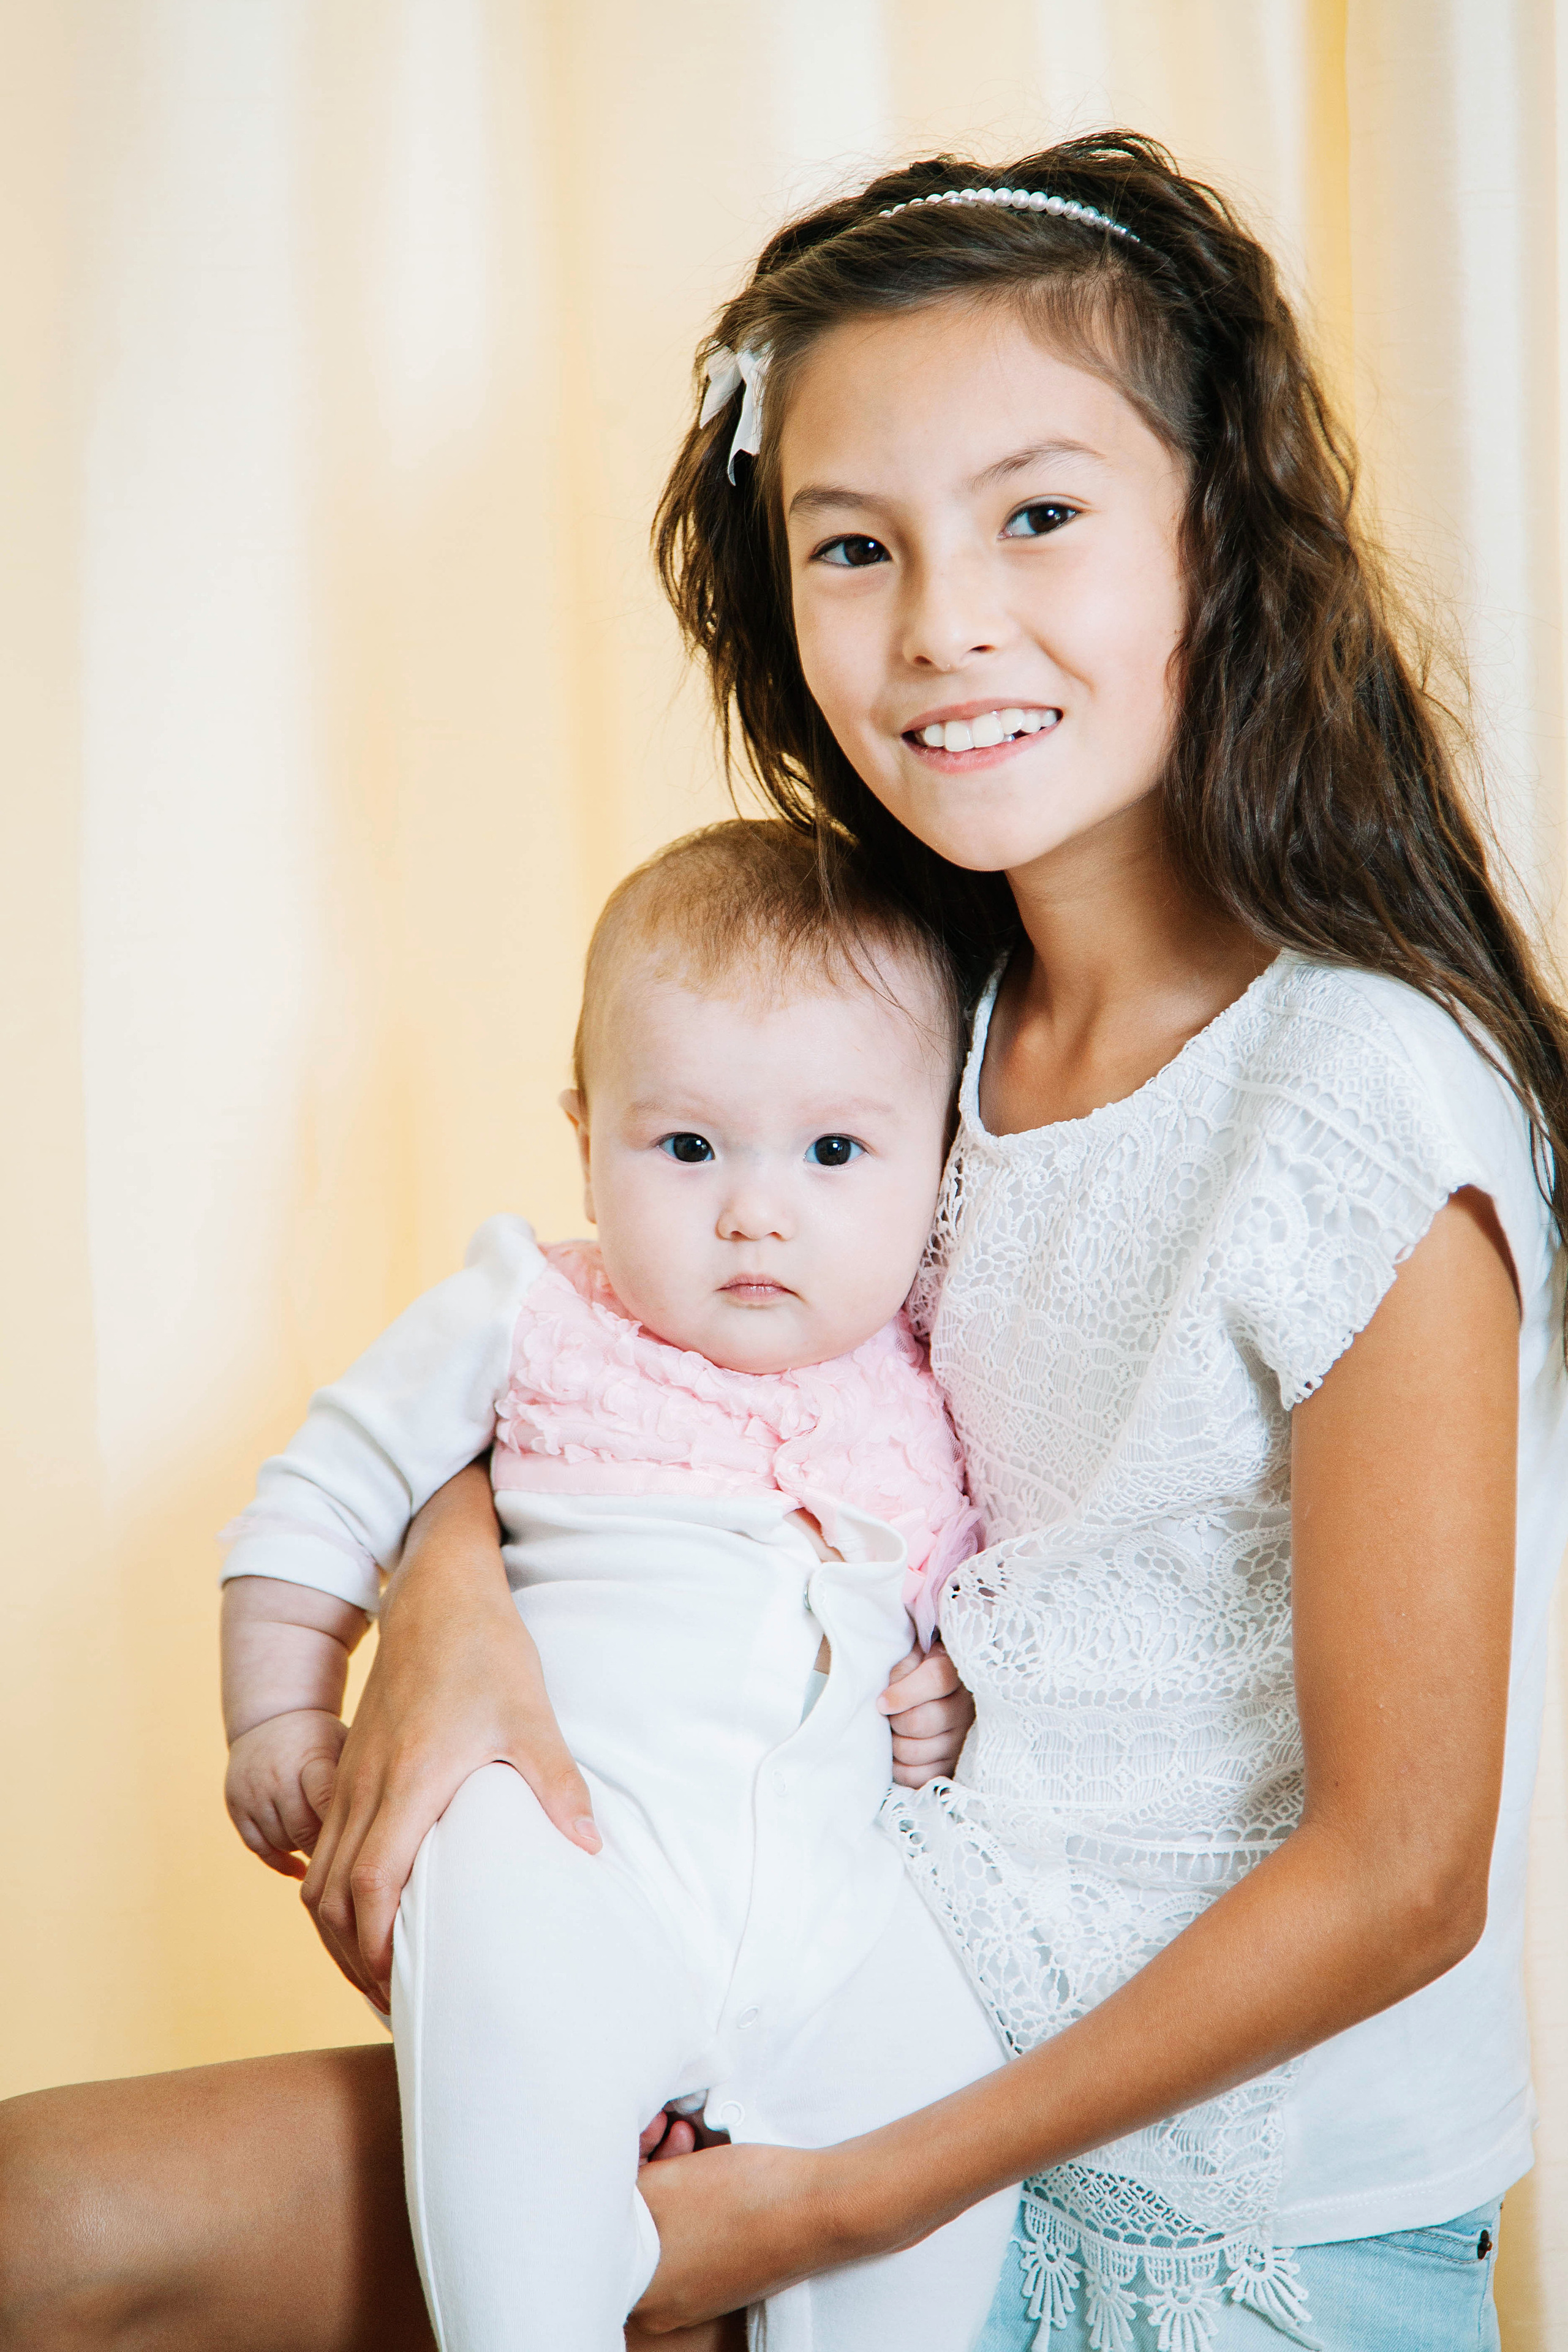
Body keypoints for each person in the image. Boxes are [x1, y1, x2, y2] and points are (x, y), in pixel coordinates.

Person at [2, 129, 1566, 2352]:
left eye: (1039, 515)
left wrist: (825, 2206)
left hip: (1181, 2217)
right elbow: (635, 1349)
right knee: (52, 2221)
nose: (943, 624)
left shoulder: (1359, 1093)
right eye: (854, 544)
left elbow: (1404, 1880)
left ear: (1219, 535)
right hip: (819, 1998)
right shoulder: (915, 1030)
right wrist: (452, 1593)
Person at [218, 818, 1014, 2352]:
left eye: (833, 1153)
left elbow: (953, 1627)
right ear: (586, 1135)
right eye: (688, 1148)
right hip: (577, 1855)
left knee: (937, 2125)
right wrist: (277, 1715)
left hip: (835, 1913)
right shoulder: (530, 1309)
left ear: (935, 1161)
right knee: (509, 2108)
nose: (754, 1210)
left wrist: (937, 1709)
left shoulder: (923, 1385)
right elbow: (322, 1487)